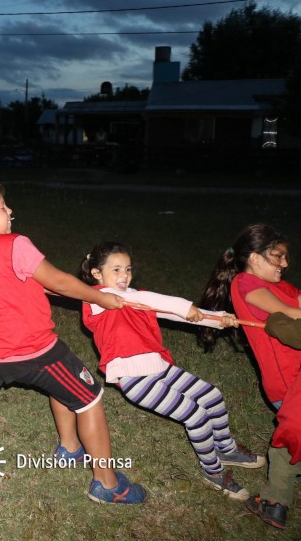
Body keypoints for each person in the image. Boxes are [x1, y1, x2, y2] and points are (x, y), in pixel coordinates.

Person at [0, 178, 145, 504]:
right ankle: (108, 484)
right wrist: (106, 300)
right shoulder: (15, 243)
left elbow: (27, 283)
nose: (10, 210)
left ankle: (69, 448)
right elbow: (56, 280)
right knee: (91, 397)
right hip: (29, 350)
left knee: (63, 384)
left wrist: (87, 294)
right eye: (1, 207)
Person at [79, 241, 263, 501]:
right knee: (195, 415)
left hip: (159, 367)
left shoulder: (135, 296)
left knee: (212, 396)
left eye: (128, 269)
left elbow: (170, 312)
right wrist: (184, 305)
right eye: (116, 269)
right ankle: (212, 471)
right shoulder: (97, 298)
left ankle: (226, 449)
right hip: (135, 379)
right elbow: (150, 300)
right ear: (97, 274)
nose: (124, 276)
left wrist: (217, 318)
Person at [200, 223, 301, 529]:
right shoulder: (245, 283)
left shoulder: (278, 284)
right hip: (288, 381)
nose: (285, 264)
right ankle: (274, 503)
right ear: (255, 257)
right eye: (277, 257)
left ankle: (275, 504)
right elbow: (291, 311)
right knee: (290, 438)